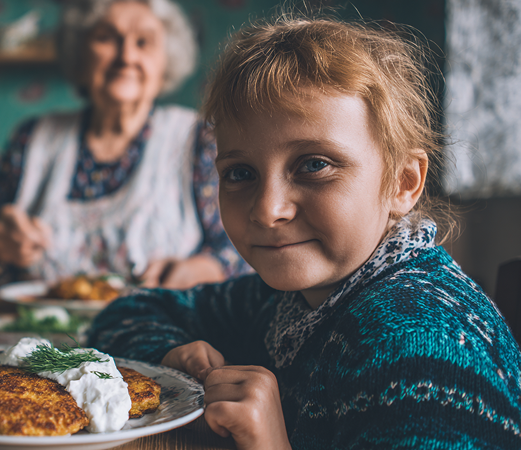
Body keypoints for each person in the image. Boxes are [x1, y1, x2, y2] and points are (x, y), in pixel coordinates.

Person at [87, 15, 521, 449]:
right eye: (240, 173)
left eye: (315, 165)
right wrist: (172, 357)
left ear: (403, 182)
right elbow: (124, 315)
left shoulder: (421, 343)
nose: (267, 209)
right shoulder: (289, 303)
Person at [0, 0, 251, 290]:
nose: (126, 56)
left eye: (143, 42)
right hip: (36, 332)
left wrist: (202, 268)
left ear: (165, 61)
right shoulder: (32, 139)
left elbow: (242, 246)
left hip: (164, 328)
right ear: (80, 53)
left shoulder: (199, 140)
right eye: (106, 38)